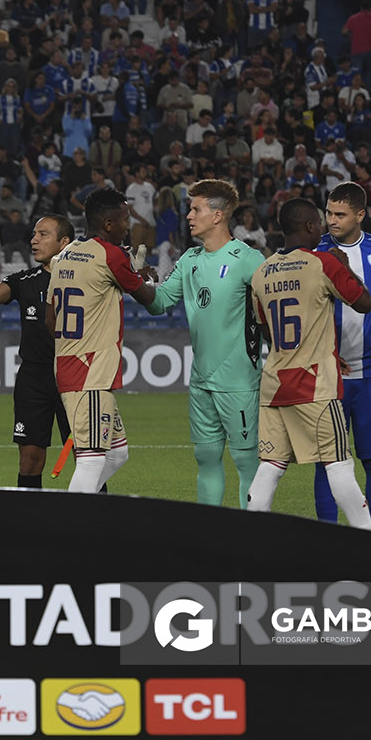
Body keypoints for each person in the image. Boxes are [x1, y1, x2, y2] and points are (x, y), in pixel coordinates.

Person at [245, 199, 371, 529]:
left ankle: (246, 542)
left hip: (274, 383)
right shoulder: (323, 263)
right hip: (314, 383)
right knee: (339, 465)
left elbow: (267, 331)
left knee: (271, 465)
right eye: (318, 223)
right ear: (307, 227)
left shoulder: (261, 273)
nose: (322, 228)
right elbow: (363, 302)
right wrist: (343, 265)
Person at [144, 179, 266, 507]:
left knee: (246, 463)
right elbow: (158, 303)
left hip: (239, 381)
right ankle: (209, 538)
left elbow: (273, 312)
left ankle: (252, 542)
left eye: (196, 208)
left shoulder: (248, 258)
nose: (189, 215)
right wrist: (135, 280)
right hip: (200, 381)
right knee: (206, 459)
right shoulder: (189, 260)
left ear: (217, 215)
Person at [46, 187, 156, 494]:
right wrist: (145, 277)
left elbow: (50, 318)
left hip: (73, 366)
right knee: (91, 461)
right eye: (124, 220)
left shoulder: (64, 256)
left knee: (118, 453)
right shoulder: (110, 254)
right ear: (108, 224)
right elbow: (147, 296)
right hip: (90, 372)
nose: (128, 226)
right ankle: (73, 531)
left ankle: (87, 510)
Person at [313, 182, 371, 532]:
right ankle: (328, 538)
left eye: (340, 214)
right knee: (327, 462)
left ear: (360, 215)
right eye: (328, 213)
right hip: (327, 374)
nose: (331, 220)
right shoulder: (314, 250)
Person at [0, 213, 74, 488]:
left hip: (74, 375)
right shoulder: (25, 280)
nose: (34, 240)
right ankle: (29, 523)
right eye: (34, 234)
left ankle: (97, 523)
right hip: (34, 377)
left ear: (64, 242)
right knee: (30, 459)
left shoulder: (86, 278)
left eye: (43, 234)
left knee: (86, 457)